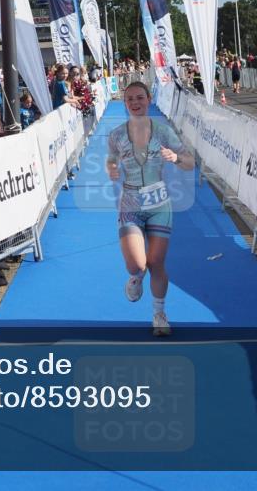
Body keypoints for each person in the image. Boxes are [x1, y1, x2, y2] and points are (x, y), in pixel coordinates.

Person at [105, 82, 195, 337]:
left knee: (156, 262)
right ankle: (135, 277)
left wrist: (176, 158)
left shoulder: (164, 132)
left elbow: (190, 161)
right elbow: (111, 160)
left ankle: (159, 314)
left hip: (159, 205)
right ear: (125, 103)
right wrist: (111, 169)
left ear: (148, 99)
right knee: (137, 263)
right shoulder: (116, 135)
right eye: (130, 99)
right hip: (131, 204)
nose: (135, 102)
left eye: (140, 97)